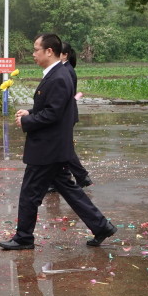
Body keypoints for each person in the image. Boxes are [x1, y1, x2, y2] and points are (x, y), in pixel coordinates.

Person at [0, 33, 115, 250]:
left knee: (29, 194)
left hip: (47, 148)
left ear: (49, 51)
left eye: (36, 50)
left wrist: (27, 121)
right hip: (52, 147)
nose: (33, 54)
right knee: (70, 190)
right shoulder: (56, 74)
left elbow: (53, 114)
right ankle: (101, 226)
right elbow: (52, 107)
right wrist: (30, 111)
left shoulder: (59, 77)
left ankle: (24, 238)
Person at [58, 41, 92, 188]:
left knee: (64, 147)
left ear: (65, 55)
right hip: (66, 113)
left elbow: (65, 96)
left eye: (57, 53)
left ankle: (81, 176)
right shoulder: (64, 69)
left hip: (66, 114)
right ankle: (62, 179)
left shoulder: (67, 71)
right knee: (61, 147)